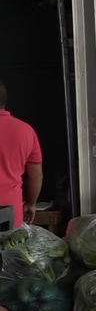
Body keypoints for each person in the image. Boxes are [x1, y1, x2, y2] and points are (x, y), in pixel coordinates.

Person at [0, 80, 43, 228]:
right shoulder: (26, 131)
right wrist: (31, 203)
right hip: (10, 212)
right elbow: (35, 175)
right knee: (9, 250)